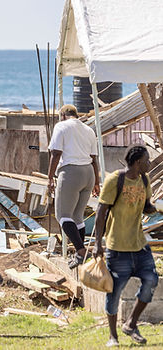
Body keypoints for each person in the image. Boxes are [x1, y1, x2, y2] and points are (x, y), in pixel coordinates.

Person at [93, 145, 159, 346]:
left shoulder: (144, 179)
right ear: (138, 162)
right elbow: (101, 212)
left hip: (139, 244)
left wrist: (157, 209)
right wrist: (98, 243)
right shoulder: (116, 180)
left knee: (151, 281)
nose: (150, 163)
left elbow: (146, 206)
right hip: (118, 247)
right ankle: (113, 336)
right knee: (114, 292)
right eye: (147, 160)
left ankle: (131, 323)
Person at [46, 103, 100, 268]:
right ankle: (79, 254)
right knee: (77, 216)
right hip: (88, 174)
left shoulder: (61, 126)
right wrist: (97, 182)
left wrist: (49, 178)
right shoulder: (88, 130)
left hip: (71, 173)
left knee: (62, 215)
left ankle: (81, 251)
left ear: (62, 115)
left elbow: (56, 153)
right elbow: (94, 158)